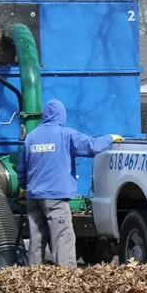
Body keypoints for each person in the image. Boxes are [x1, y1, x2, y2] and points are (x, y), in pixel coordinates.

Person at [17, 99, 122, 268]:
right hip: (55, 197)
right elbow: (91, 146)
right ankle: (66, 276)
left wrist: (23, 188)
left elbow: (22, 167)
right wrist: (110, 137)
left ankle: (33, 274)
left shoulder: (31, 137)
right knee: (63, 237)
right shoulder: (65, 134)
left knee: (37, 238)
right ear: (61, 115)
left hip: (33, 196)